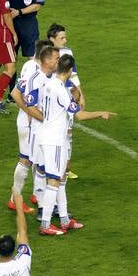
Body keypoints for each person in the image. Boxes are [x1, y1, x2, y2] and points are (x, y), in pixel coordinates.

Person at [33, 54, 116, 234]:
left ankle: (64, 220)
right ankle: (45, 225)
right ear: (70, 71)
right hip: (54, 140)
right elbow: (79, 115)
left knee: (61, 178)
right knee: (54, 180)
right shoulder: (61, 90)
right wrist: (101, 113)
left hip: (50, 136)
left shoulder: (48, 84)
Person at [6, 39, 52, 216]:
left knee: (36, 158)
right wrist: (30, 113)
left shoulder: (32, 65)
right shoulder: (34, 70)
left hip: (31, 121)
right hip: (28, 123)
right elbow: (16, 94)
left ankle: (37, 194)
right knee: (26, 160)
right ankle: (14, 198)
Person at [47, 22, 84, 180]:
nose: (65, 41)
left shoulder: (68, 51)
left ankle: (66, 169)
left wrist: (81, 94)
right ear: (52, 39)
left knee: (68, 132)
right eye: (61, 38)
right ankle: (53, 168)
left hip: (69, 95)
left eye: (65, 37)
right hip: (55, 96)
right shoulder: (45, 54)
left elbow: (74, 75)